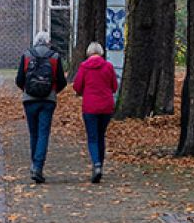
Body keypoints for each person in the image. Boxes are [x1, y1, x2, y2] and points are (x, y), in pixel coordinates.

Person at [16, 31, 66, 183]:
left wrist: (27, 90)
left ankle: (34, 165)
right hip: (48, 100)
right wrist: (52, 91)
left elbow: (19, 79)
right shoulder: (55, 57)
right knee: (43, 133)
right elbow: (62, 81)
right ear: (48, 42)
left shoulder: (26, 55)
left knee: (34, 134)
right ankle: (38, 166)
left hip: (29, 100)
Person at [72, 41, 118, 183]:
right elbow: (114, 86)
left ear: (89, 52)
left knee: (92, 137)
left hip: (90, 107)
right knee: (101, 135)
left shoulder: (84, 67)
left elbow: (77, 86)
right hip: (106, 106)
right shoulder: (108, 66)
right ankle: (100, 165)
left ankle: (96, 164)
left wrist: (82, 91)